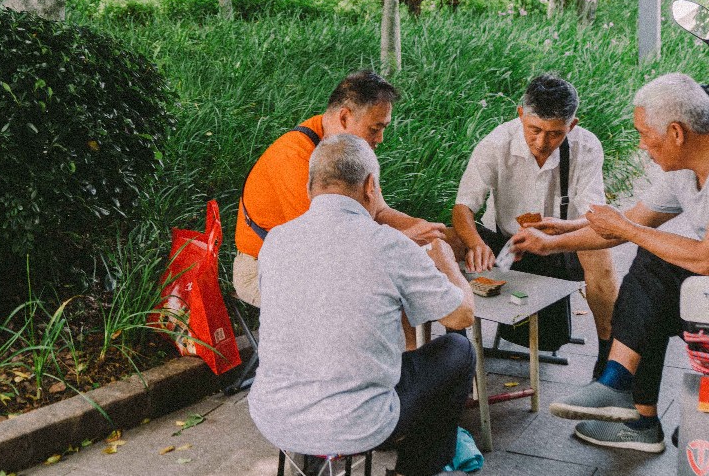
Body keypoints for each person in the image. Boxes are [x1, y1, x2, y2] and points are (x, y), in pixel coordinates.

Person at [513, 73, 709, 453]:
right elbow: (627, 225)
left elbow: (708, 259)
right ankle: (630, 404)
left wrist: (625, 229)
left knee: (656, 268)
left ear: (676, 133)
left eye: (644, 134)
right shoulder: (684, 165)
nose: (641, 144)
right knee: (650, 284)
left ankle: (626, 398)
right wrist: (554, 241)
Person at [248, 133, 476, 476]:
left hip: (275, 416)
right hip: (360, 423)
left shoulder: (276, 241)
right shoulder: (389, 245)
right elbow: (461, 316)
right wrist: (447, 264)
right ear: (371, 186)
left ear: (310, 187)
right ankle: (413, 470)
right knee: (458, 350)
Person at [233, 69, 460, 307]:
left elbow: (379, 211)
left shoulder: (350, 148)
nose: (380, 139)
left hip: (323, 256)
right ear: (344, 118)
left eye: (384, 128)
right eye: (374, 129)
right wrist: (404, 241)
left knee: (397, 281)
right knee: (373, 295)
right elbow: (326, 249)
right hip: (266, 268)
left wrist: (428, 231)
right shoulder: (294, 156)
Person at [452, 73, 617, 378]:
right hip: (507, 246)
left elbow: (596, 217)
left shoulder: (586, 147)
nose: (542, 143)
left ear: (572, 125)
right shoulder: (496, 143)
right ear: (520, 115)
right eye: (535, 130)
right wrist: (476, 243)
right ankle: (456, 346)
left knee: (598, 250)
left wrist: (563, 230)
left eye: (555, 134)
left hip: (562, 246)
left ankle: (609, 354)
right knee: (443, 240)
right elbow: (463, 207)